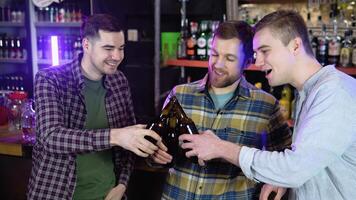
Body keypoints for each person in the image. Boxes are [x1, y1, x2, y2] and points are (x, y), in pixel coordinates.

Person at [179, 10, 356, 200]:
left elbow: (294, 169)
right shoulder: (310, 91)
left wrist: (221, 148)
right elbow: (307, 161)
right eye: (255, 53)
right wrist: (278, 178)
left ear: (295, 46)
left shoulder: (335, 92)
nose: (258, 61)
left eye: (265, 51)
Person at [27, 14, 163, 200]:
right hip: (58, 194)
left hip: (109, 194)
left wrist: (122, 186)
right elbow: (50, 137)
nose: (117, 56)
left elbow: (127, 146)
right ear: (86, 45)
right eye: (108, 48)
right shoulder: (51, 79)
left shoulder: (119, 81)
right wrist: (115, 136)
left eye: (121, 48)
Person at [152, 21, 292, 199]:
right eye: (214, 54)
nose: (217, 64)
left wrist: (278, 181)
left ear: (248, 62)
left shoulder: (266, 105)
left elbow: (285, 161)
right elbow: (158, 149)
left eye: (229, 58)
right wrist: (156, 156)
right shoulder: (179, 95)